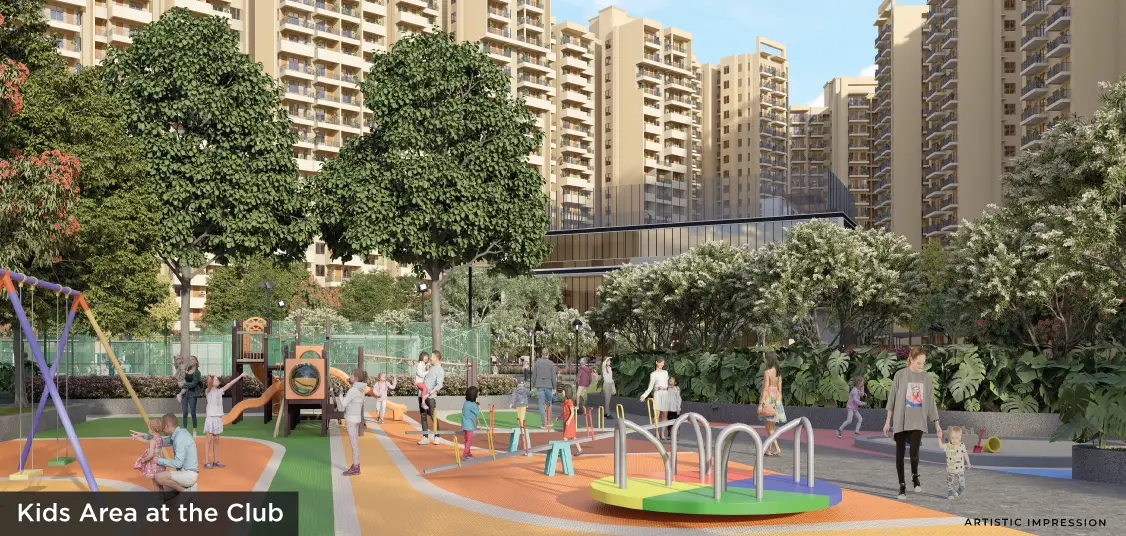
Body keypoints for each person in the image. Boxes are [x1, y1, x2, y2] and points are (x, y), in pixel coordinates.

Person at [884, 347, 942, 500]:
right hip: (900, 420)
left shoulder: (926, 378)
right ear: (911, 359)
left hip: (918, 421)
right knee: (900, 454)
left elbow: (931, 402)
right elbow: (892, 400)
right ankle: (902, 485)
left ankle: (915, 476)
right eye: (918, 363)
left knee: (914, 452)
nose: (920, 366)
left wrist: (937, 425)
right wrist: (887, 422)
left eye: (923, 363)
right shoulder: (900, 375)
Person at [131, 413, 199, 497]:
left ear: (167, 425)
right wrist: (144, 435)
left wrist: (158, 460)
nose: (162, 430)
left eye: (162, 427)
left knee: (158, 477)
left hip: (188, 474)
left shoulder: (180, 438)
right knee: (165, 490)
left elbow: (178, 463)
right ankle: (186, 488)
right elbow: (159, 442)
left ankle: (187, 491)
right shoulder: (178, 434)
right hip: (185, 472)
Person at [203, 371, 250, 469]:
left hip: (218, 419)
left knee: (216, 441)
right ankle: (207, 461)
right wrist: (211, 378)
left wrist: (241, 375)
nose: (216, 380)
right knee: (208, 441)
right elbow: (209, 385)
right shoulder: (209, 391)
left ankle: (215, 461)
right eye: (214, 379)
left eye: (216, 379)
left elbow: (230, 383)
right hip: (210, 418)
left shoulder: (220, 391)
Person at [337, 369, 369, 476]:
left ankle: (356, 467)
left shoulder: (352, 390)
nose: (349, 376)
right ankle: (356, 465)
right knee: (355, 443)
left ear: (356, 378)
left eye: (351, 375)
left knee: (354, 444)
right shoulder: (360, 389)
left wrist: (341, 394)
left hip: (350, 419)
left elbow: (343, 404)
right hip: (357, 418)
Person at [759, 352, 787, 456]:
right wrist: (777, 402)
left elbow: (765, 389)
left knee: (769, 428)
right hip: (777, 400)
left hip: (768, 399)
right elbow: (780, 390)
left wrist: (761, 404)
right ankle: (768, 450)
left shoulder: (767, 372)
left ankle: (777, 448)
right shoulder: (778, 373)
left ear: (769, 360)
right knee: (772, 428)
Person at [417, 351, 445, 445]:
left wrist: (429, 393)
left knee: (433, 416)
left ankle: (437, 436)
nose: (430, 358)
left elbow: (439, 385)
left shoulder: (440, 370)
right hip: (422, 395)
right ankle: (425, 437)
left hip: (430, 397)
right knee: (423, 416)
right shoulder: (429, 367)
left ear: (436, 358)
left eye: (432, 356)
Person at [639, 357, 670, 440]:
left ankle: (662, 433)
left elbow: (668, 384)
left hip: (665, 394)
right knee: (657, 415)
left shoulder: (665, 372)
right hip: (657, 394)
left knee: (665, 415)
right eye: (661, 363)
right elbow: (650, 387)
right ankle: (656, 432)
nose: (662, 364)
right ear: (657, 362)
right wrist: (644, 396)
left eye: (663, 363)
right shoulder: (653, 374)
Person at [133, 418, 166, 491]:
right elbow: (146, 441)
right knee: (160, 484)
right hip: (160, 462)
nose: (148, 430)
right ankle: (162, 499)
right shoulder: (159, 438)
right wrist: (137, 437)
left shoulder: (152, 441)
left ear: (152, 430)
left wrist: (144, 460)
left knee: (155, 484)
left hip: (154, 464)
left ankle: (158, 500)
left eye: (149, 428)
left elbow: (151, 454)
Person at [941, 425, 971, 499]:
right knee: (950, 481)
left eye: (956, 438)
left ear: (960, 437)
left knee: (962, 484)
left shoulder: (962, 445)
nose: (954, 440)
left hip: (960, 469)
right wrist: (939, 438)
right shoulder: (948, 445)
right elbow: (941, 446)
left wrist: (968, 462)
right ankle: (950, 492)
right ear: (950, 437)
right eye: (952, 438)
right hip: (951, 468)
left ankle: (959, 491)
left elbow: (965, 454)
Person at [531, 351, 557, 430]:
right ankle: (549, 422)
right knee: (549, 404)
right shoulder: (551, 363)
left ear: (541, 354)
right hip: (548, 385)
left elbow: (534, 375)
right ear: (548, 354)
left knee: (541, 404)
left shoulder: (537, 363)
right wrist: (555, 388)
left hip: (539, 386)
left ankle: (543, 423)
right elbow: (553, 376)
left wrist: (532, 386)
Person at [181, 356, 202, 436]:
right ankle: (185, 430)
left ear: (196, 361)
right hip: (184, 394)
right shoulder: (187, 370)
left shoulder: (197, 373)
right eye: (190, 359)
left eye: (193, 359)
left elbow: (193, 384)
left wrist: (184, 384)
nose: (191, 360)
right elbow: (181, 377)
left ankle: (194, 430)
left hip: (192, 394)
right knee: (184, 413)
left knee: (193, 412)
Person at [561, 385, 583, 456]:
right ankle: (580, 450)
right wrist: (559, 417)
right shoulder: (565, 401)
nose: (562, 392)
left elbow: (572, 412)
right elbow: (564, 411)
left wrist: (569, 420)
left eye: (563, 391)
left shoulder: (569, 401)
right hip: (566, 420)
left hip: (569, 422)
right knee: (573, 436)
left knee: (565, 437)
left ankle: (566, 452)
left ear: (567, 392)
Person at [461, 386, 481, 460]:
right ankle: (465, 454)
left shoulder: (466, 402)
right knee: (469, 440)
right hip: (469, 426)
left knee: (466, 440)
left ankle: (468, 453)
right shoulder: (473, 405)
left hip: (464, 424)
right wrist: (477, 406)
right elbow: (478, 413)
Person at [601, 355, 615, 420]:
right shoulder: (604, 368)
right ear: (606, 362)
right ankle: (607, 414)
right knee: (607, 400)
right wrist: (607, 358)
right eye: (609, 361)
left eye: (610, 361)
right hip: (606, 385)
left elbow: (610, 377)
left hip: (610, 384)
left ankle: (606, 413)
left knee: (608, 400)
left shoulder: (609, 368)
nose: (610, 362)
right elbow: (603, 363)